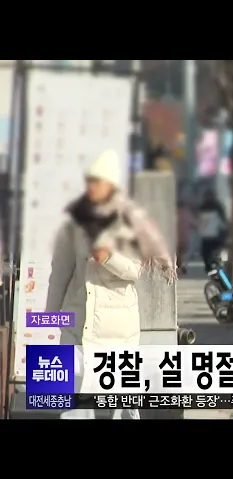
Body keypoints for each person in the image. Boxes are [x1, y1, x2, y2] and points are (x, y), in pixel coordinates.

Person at [45, 150, 176, 420]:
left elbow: (135, 270)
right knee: (72, 406)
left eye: (97, 181)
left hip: (117, 332)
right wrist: (50, 318)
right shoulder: (74, 224)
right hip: (77, 328)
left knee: (118, 407)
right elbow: (60, 273)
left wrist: (107, 258)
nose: (91, 187)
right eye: (89, 181)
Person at [198, 190, 228, 273]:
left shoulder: (203, 207)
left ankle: (209, 267)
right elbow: (223, 220)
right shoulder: (217, 206)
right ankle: (215, 265)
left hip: (206, 234)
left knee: (206, 252)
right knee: (215, 251)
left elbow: (200, 220)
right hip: (215, 234)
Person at [176, 199, 197, 274]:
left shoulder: (174, 213)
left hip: (175, 238)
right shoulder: (187, 214)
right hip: (184, 237)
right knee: (184, 253)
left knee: (177, 252)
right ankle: (183, 266)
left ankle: (178, 266)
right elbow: (194, 225)